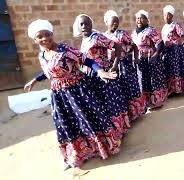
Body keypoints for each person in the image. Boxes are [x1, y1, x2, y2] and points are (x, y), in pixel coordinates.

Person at [25, 19, 127, 168]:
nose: (44, 38)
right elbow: (49, 71)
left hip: (77, 92)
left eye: (47, 34)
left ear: (52, 34)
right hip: (59, 96)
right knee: (66, 124)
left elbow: (86, 60)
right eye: (40, 36)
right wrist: (35, 80)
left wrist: (100, 71)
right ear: (35, 40)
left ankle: (102, 147)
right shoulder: (42, 55)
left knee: (89, 119)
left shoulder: (65, 50)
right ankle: (76, 154)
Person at [73, 14, 131, 127]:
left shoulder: (97, 37)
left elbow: (117, 46)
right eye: (82, 24)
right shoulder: (85, 39)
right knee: (100, 102)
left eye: (87, 23)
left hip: (104, 72)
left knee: (111, 100)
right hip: (91, 74)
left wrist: (114, 65)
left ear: (91, 25)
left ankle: (119, 127)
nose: (84, 26)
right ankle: (109, 128)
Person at [103, 10, 147, 120]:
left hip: (124, 66)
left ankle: (135, 112)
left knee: (130, 88)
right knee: (119, 91)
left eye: (117, 22)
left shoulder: (122, 34)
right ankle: (125, 116)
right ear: (106, 22)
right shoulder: (103, 37)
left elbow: (135, 47)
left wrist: (136, 58)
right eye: (113, 22)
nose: (115, 24)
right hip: (112, 67)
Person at [131, 10, 168, 109]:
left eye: (142, 18)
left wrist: (155, 55)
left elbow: (160, 44)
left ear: (147, 20)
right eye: (137, 18)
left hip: (150, 58)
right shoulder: (134, 32)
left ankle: (156, 101)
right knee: (143, 80)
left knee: (153, 80)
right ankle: (146, 102)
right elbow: (133, 46)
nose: (139, 20)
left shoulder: (151, 30)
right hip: (140, 60)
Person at [161, 5, 184, 94]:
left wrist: (174, 43)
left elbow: (182, 36)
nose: (166, 17)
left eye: (168, 15)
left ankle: (179, 88)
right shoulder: (164, 27)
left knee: (177, 69)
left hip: (176, 51)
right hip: (167, 52)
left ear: (171, 16)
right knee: (170, 70)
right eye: (164, 15)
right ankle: (171, 89)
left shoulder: (175, 25)